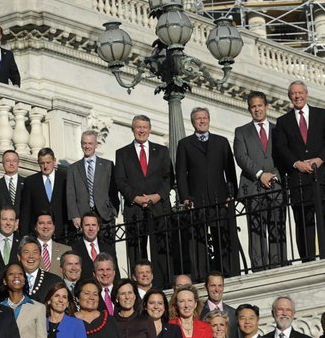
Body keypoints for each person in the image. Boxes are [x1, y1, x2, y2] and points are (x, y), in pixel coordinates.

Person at [271, 80, 325, 262]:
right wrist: (296, 163)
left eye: (300, 92)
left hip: (323, 174)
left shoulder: (322, 115)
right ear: (289, 97)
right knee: (302, 219)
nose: (297, 96)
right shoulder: (283, 121)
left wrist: (319, 159)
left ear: (306, 94)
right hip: (298, 179)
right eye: (293, 93)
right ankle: (307, 258)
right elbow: (281, 147)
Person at [174, 107, 238, 279]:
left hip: (220, 199)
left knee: (222, 238)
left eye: (204, 118)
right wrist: (185, 198)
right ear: (193, 122)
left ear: (209, 120)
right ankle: (201, 276)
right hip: (197, 200)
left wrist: (232, 194)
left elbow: (230, 171)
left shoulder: (222, 142)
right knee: (198, 242)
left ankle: (227, 272)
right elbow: (181, 174)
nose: (202, 121)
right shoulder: (185, 144)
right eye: (198, 119)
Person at [115, 115, 173, 287]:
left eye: (145, 127)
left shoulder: (161, 151)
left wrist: (156, 196)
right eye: (138, 127)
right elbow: (120, 180)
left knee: (162, 247)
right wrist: (136, 198)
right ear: (133, 129)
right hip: (135, 209)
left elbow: (169, 177)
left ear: (150, 129)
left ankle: (163, 283)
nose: (141, 130)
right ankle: (135, 285)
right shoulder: (123, 153)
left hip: (158, 207)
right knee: (136, 249)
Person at [232, 91, 286, 270]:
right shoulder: (241, 131)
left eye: (260, 106)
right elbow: (241, 156)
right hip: (252, 187)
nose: (257, 109)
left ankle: (278, 264)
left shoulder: (278, 130)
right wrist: (260, 173)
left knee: (277, 226)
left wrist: (274, 174)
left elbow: (284, 154)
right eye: (253, 106)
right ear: (249, 109)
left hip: (275, 185)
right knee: (256, 230)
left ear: (266, 107)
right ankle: (259, 267)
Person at [66, 130, 118, 235]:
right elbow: (70, 194)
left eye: (90, 143)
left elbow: (113, 190)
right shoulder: (73, 168)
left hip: (105, 216)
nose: (87, 146)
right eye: (84, 143)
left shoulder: (107, 165)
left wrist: (113, 212)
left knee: (107, 249)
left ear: (96, 145)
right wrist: (75, 215)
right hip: (83, 217)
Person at [20, 147, 68, 237]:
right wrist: (24, 235)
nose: (45, 166)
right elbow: (26, 210)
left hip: (61, 232)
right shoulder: (30, 181)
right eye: (42, 163)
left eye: (48, 162)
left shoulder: (65, 179)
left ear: (54, 161)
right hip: (38, 233)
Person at [71, 211, 117, 281]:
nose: (91, 229)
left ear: (98, 227)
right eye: (87, 225)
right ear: (81, 228)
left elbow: (116, 274)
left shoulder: (109, 249)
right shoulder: (73, 249)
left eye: (93, 225)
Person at [199, 272, 238, 338]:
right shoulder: (198, 313)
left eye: (220, 285)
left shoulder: (233, 313)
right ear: (206, 287)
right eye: (213, 285)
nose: (217, 289)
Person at [20, 237, 61, 301]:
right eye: (26, 252)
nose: (31, 256)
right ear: (19, 256)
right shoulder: (13, 279)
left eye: (35, 252)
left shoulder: (54, 281)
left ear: (40, 256)